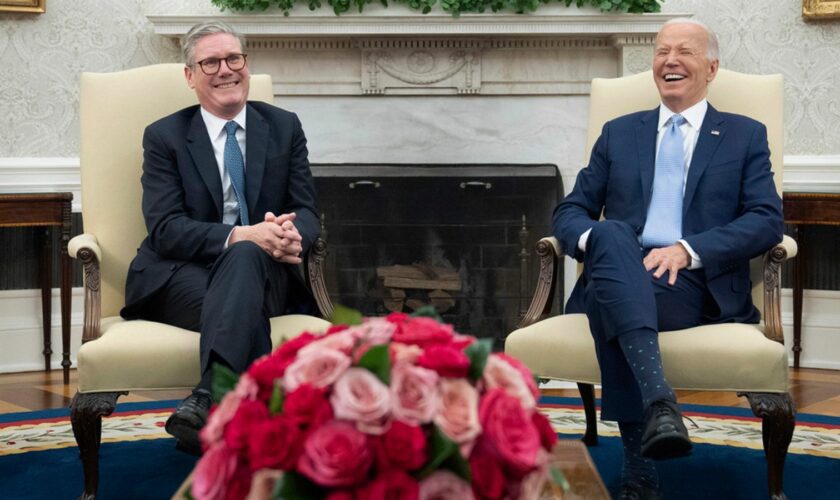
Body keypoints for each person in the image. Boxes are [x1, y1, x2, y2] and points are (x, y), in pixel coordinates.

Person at [553, 18, 783, 499]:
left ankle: (639, 471)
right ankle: (660, 404)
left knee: (609, 299)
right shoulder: (619, 133)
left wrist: (688, 250)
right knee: (612, 234)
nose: (669, 60)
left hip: (694, 284)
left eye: (684, 52)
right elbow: (571, 210)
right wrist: (596, 243)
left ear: (711, 68)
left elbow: (766, 219)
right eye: (661, 52)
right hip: (620, 266)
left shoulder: (744, 135)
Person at [120, 21, 320, 455]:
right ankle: (249, 428)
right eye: (210, 61)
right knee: (245, 257)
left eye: (234, 58)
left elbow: (306, 210)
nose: (225, 69)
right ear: (190, 75)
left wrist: (290, 236)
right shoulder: (165, 137)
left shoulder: (284, 127)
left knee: (248, 258)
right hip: (177, 276)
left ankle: (208, 399)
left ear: (246, 65)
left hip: (265, 275)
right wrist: (244, 234)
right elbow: (166, 228)